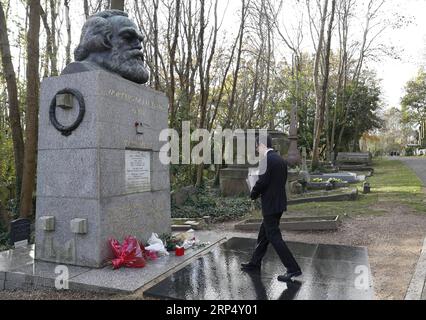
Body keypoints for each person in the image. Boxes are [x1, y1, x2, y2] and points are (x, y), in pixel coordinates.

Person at [241, 135, 302, 282]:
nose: (256, 150)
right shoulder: (280, 159)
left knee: (274, 238)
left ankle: (293, 268)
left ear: (261, 145)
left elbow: (262, 182)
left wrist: (253, 193)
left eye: (256, 146)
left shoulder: (266, 160)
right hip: (278, 204)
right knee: (264, 235)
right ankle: (255, 263)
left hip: (270, 205)